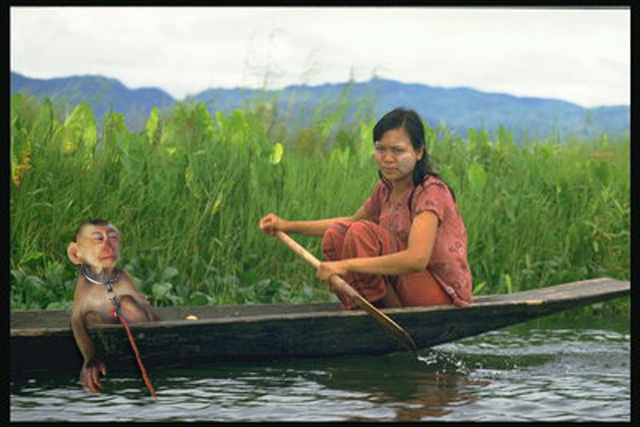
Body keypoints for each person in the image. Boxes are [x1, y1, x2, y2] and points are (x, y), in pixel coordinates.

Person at [259, 107, 472, 310]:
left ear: (418, 152)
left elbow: (417, 260)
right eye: (381, 149)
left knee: (362, 233)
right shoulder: (385, 189)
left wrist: (347, 265)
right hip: (405, 288)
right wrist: (285, 225)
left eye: (398, 151)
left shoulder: (430, 192)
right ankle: (375, 309)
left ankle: (391, 313)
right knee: (337, 234)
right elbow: (349, 222)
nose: (387, 158)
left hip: (441, 294)